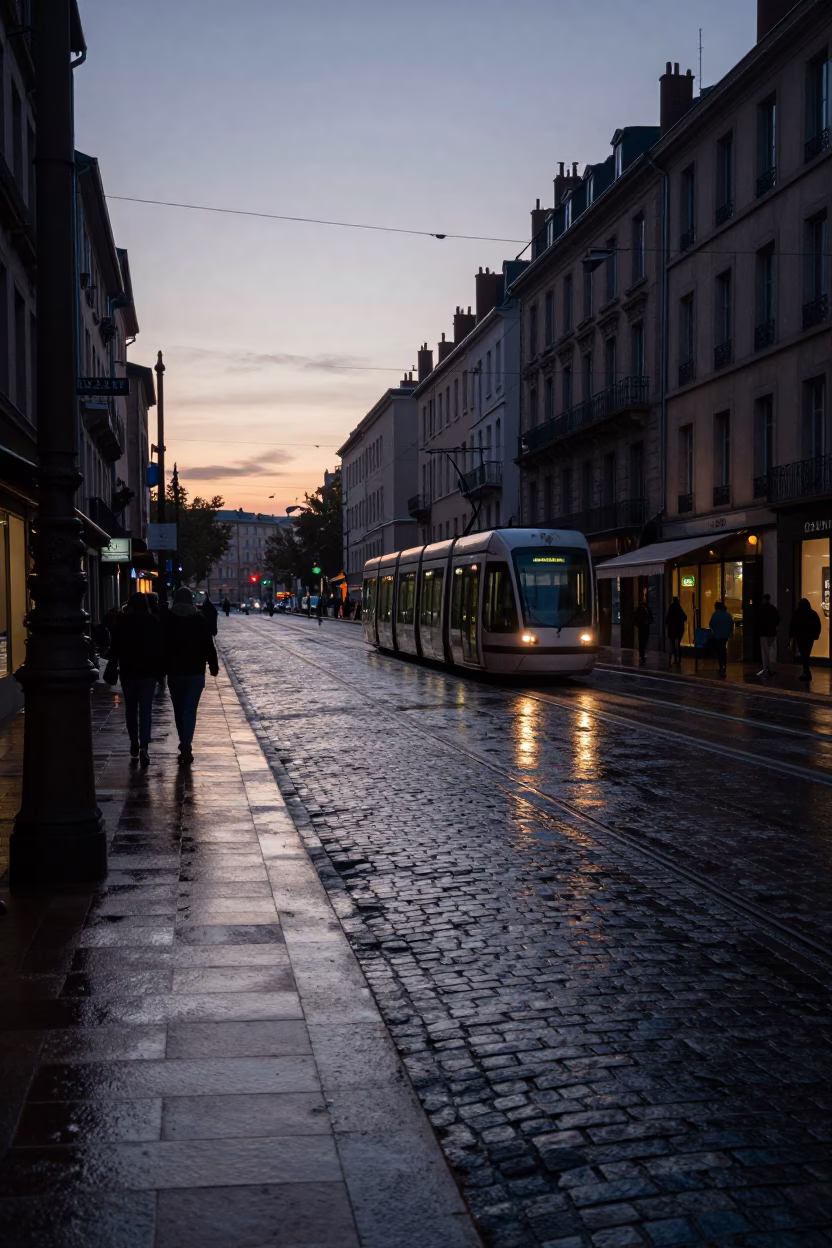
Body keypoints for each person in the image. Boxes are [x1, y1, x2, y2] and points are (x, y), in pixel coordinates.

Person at [105, 592, 164, 767]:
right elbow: (159, 647)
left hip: (128, 672)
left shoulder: (123, 622)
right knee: (145, 709)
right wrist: (160, 671)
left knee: (131, 709)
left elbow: (114, 647)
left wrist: (112, 663)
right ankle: (144, 745)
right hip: (148, 672)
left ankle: (133, 742)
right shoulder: (153, 621)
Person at [164, 586, 219, 764]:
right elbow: (208, 645)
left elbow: (161, 645)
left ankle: (184, 741)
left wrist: (160, 667)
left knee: (179, 710)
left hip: (175, 671)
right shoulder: (199, 620)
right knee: (190, 710)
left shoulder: (168, 619)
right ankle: (187, 744)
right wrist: (213, 665)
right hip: (195, 671)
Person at [790, 597, 822, 683]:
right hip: (809, 637)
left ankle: (806, 670)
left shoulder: (797, 613)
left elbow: (792, 625)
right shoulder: (812, 613)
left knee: (803, 653)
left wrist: (792, 635)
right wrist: (816, 635)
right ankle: (806, 670)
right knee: (807, 653)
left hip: (800, 637)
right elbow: (817, 625)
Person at [756, 593, 780, 677]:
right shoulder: (773, 609)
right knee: (768, 651)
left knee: (765, 651)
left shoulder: (761, 609)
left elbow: (757, 620)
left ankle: (765, 669)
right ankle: (768, 668)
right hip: (771, 632)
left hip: (764, 632)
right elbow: (777, 620)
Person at [708, 600, 734, 677]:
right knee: (723, 650)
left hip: (717, 635)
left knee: (719, 651)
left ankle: (721, 666)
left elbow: (711, 624)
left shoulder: (715, 614)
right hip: (725, 636)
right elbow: (731, 625)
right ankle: (724, 666)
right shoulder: (727, 615)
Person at [665, 596, 687, 666]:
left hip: (672, 629)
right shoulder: (678, 607)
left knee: (672, 644)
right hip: (679, 629)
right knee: (678, 644)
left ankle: (671, 659)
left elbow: (667, 619)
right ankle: (678, 659)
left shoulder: (671, 607)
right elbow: (685, 617)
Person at [634, 592, 653, 666]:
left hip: (645, 627)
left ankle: (642, 654)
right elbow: (636, 618)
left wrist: (648, 621)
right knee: (642, 642)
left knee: (644, 641)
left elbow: (651, 618)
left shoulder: (647, 609)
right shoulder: (640, 609)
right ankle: (642, 655)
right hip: (642, 627)